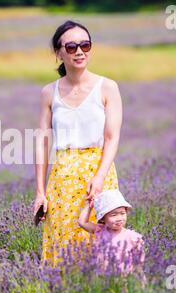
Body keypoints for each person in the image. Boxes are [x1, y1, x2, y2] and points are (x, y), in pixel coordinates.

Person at [34, 20, 124, 267]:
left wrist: (99, 177)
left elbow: (111, 138)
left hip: (100, 174)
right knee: (64, 243)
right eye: (71, 47)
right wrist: (40, 192)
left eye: (85, 45)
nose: (80, 51)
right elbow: (42, 143)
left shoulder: (107, 87)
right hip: (62, 177)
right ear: (58, 53)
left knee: (101, 241)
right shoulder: (48, 93)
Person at [78, 189, 145, 275]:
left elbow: (139, 265)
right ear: (102, 218)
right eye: (114, 215)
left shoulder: (133, 237)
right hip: (103, 278)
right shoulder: (100, 230)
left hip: (124, 278)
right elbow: (82, 222)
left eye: (122, 213)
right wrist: (89, 205)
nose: (119, 218)